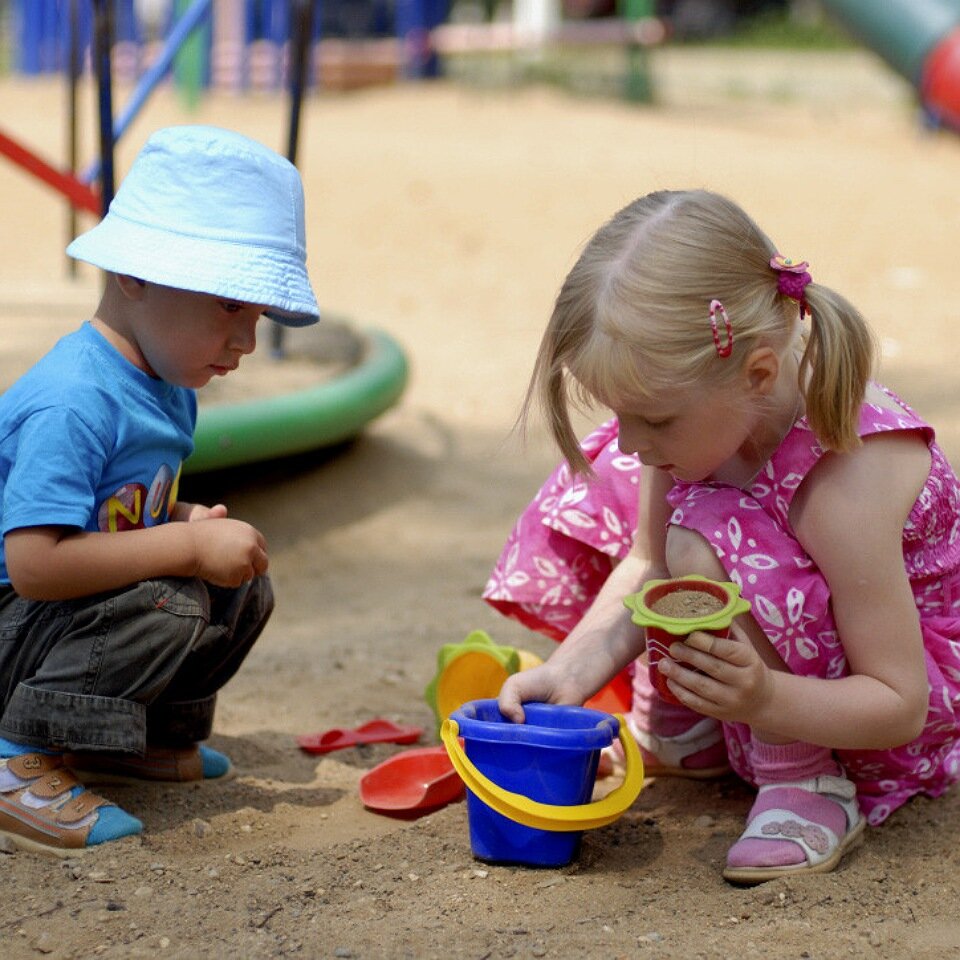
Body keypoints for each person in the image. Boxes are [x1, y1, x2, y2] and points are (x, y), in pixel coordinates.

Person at [487, 189, 960, 884]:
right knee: (674, 522)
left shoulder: (848, 482)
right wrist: (574, 670)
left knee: (705, 534)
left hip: (876, 721)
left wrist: (766, 701)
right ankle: (711, 723)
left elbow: (899, 704)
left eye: (654, 418)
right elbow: (647, 562)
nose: (632, 442)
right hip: (770, 684)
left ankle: (807, 781)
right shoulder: (704, 422)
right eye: (622, 413)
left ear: (758, 372)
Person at [0, 125, 319, 855]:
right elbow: (35, 565)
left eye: (257, 314)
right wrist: (180, 543)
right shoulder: (74, 400)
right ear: (136, 276)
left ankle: (127, 741)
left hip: (51, 625)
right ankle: (15, 756)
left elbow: (110, 513)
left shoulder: (166, 384)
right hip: (13, 622)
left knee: (242, 589)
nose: (247, 339)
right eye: (230, 305)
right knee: (165, 600)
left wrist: (177, 519)